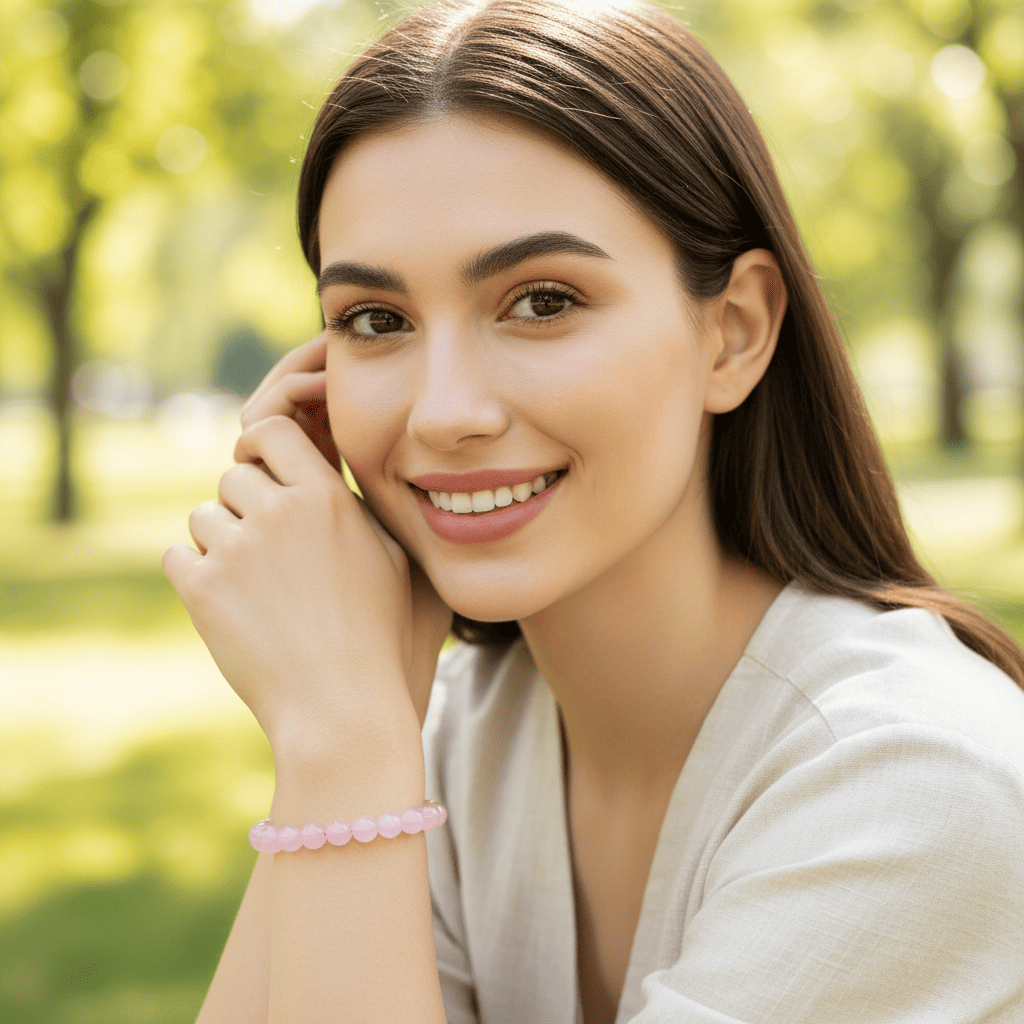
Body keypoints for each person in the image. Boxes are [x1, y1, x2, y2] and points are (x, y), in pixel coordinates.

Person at [162, 0, 1024, 1021]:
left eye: (542, 302)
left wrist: (340, 741)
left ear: (734, 332)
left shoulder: (909, 782)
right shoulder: (453, 739)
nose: (444, 413)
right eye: (376, 320)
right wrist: (356, 719)